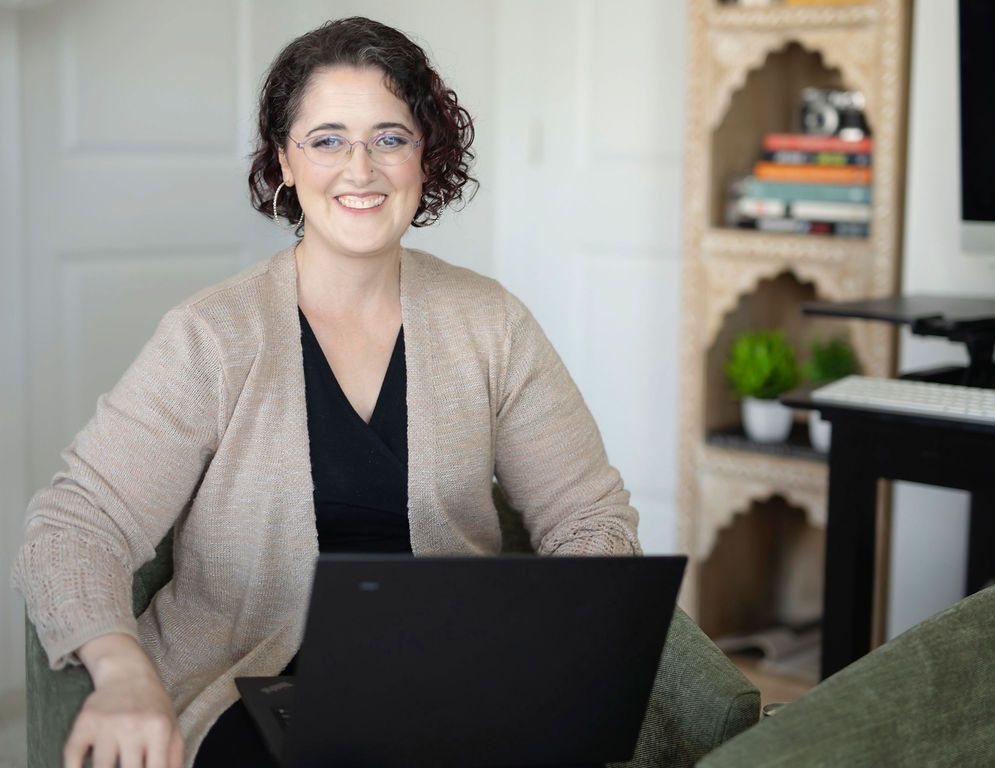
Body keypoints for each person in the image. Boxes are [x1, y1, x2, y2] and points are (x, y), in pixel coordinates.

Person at [11, 16, 641, 768]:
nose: (361, 168)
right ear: (284, 161)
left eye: (389, 137)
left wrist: (535, 658)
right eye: (328, 139)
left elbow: (591, 520)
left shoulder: (491, 322)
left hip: (448, 683)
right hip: (254, 684)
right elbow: (75, 524)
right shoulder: (213, 336)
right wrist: (122, 672)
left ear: (424, 156)